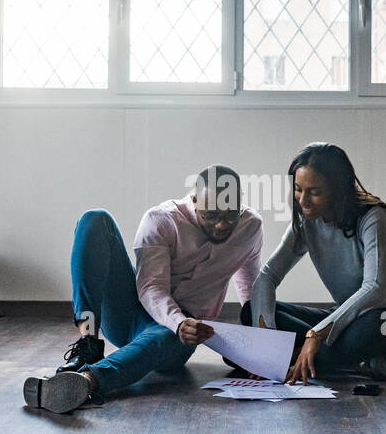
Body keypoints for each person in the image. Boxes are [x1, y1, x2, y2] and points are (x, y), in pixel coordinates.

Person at [24, 165, 262, 413]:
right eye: (210, 216)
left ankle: (84, 382)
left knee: (162, 335)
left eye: (230, 216)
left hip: (179, 333)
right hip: (133, 315)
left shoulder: (250, 227)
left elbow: (250, 287)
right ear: (194, 202)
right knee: (95, 219)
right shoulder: (162, 220)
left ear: (240, 205)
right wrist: (177, 321)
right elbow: (151, 287)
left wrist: (260, 346)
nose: (221, 225)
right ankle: (88, 343)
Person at [242, 143, 386, 384]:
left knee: (368, 329)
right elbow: (267, 276)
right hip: (344, 319)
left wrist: (316, 335)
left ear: (338, 190)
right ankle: (333, 360)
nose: (303, 201)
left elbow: (375, 289)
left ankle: (302, 357)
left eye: (314, 192)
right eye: (298, 189)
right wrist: (267, 337)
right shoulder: (307, 221)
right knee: (252, 310)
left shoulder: (373, 217)